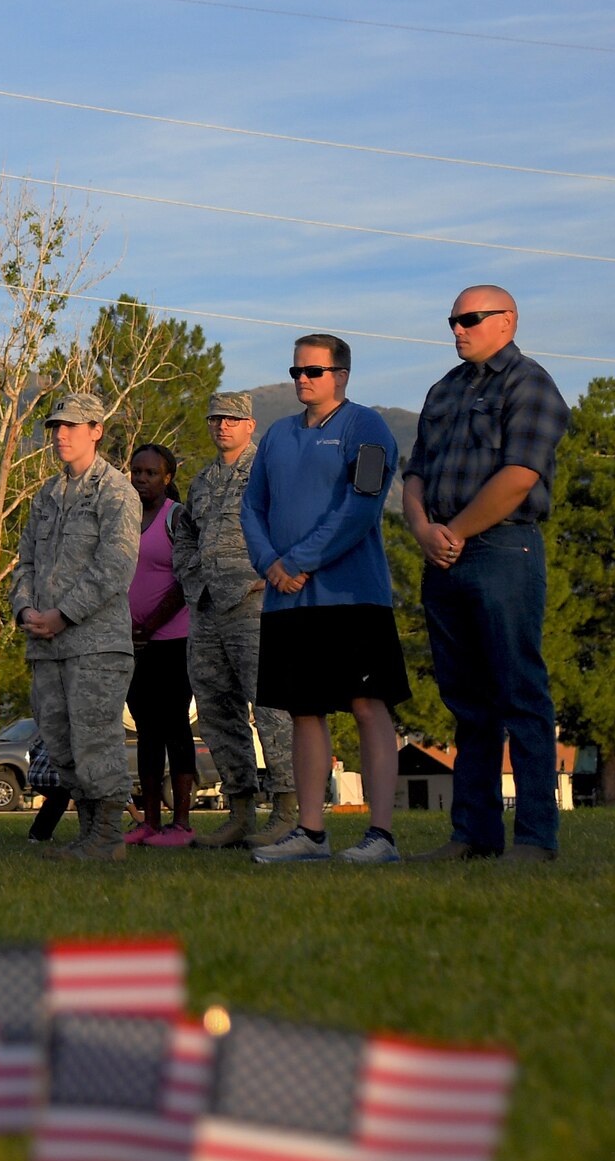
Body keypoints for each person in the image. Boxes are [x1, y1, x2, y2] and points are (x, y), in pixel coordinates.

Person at [403, 286, 570, 863]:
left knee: (520, 692)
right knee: (466, 701)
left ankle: (535, 837)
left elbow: (520, 475)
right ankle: (473, 834)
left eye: (470, 318)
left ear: (508, 321)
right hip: (443, 553)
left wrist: (455, 532)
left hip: (503, 549)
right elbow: (416, 472)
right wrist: (424, 529)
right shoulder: (443, 390)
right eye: (452, 319)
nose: (457, 329)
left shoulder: (530, 383)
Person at [241, 337, 408, 864]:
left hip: (353, 597)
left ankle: (380, 836)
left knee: (367, 704)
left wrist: (300, 561)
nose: (301, 379)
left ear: (342, 373)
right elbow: (252, 506)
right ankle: (310, 834)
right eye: (295, 369)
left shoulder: (367, 428)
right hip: (288, 602)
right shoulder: (277, 435)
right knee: (304, 710)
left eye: (312, 370)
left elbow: (360, 506)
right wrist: (270, 562)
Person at [9, 393, 142, 862]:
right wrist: (25, 610)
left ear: (96, 430)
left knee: (95, 742)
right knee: (61, 745)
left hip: (94, 645)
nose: (61, 435)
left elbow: (115, 566)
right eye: (55, 427)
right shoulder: (46, 495)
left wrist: (63, 614)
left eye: (71, 426)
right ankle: (89, 834)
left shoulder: (116, 492)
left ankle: (107, 837)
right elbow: (23, 561)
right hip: (45, 645)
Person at [171, 392, 296, 849]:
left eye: (231, 419)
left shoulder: (269, 471)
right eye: (215, 418)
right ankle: (240, 810)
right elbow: (185, 533)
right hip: (206, 608)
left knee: (270, 706)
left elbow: (297, 522)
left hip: (255, 602)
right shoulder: (202, 481)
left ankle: (287, 809)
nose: (221, 426)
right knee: (215, 710)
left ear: (250, 424)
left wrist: (277, 569)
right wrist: (191, 576)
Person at [123, 444, 197, 847]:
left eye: (151, 473)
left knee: (173, 726)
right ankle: (149, 821)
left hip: (173, 639)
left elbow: (187, 579)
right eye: (137, 471)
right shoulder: (124, 517)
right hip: (132, 644)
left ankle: (182, 822)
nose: (142, 479)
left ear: (168, 478)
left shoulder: (176, 517)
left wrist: (150, 624)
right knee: (146, 730)